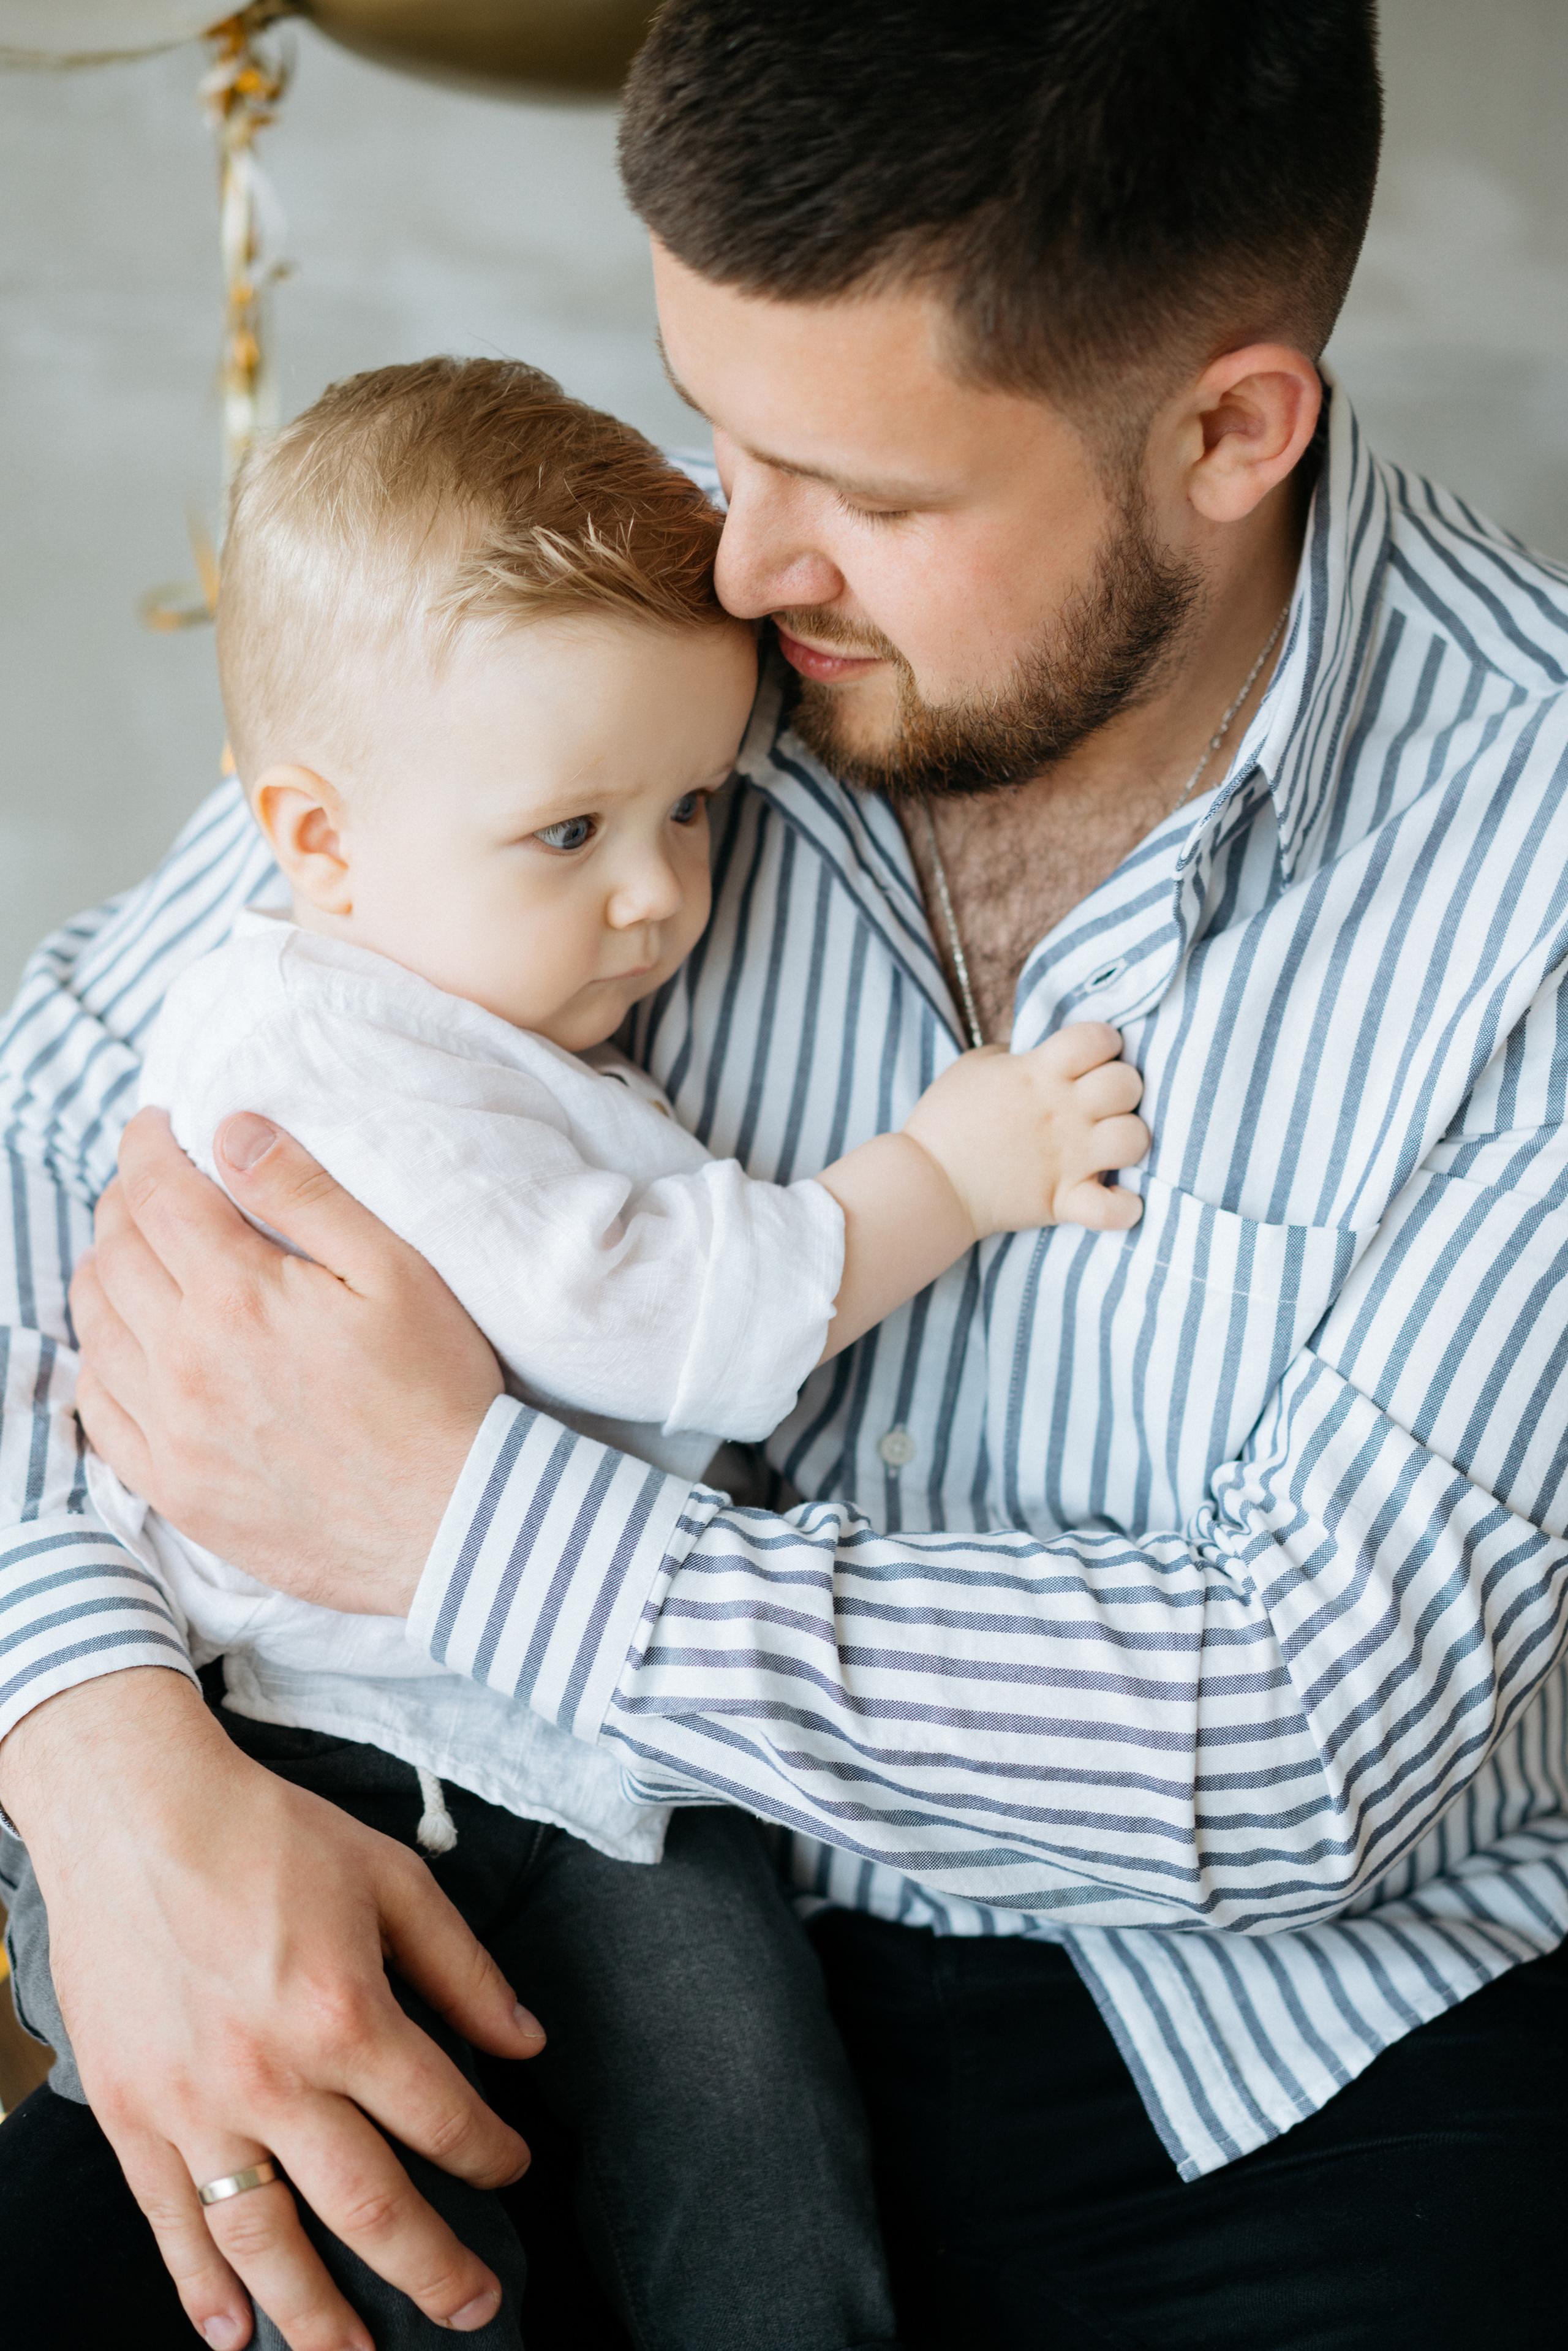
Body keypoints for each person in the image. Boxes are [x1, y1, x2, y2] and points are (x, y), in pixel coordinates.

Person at [2, 3, 1567, 2347]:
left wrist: (451, 1520)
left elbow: (1302, 1736)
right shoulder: (614, 638)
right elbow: (44, 1137)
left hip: (1265, 2069)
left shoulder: (1537, 869)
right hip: (513, 1886)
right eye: (717, 427)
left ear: (1231, 430)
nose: (741, 560)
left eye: (869, 494)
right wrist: (97, 1749)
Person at [12, 348, 1144, 2351]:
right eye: (569, 834)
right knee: (400, 2241)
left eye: (694, 806)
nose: (656, 896)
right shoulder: (334, 1064)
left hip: (564, 1744)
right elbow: (684, 1317)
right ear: (314, 839)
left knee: (762, 2159)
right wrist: (953, 1176)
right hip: (316, 1750)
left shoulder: (436, 960)